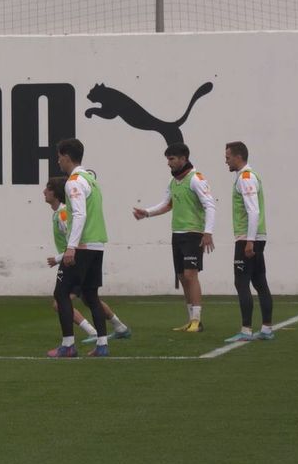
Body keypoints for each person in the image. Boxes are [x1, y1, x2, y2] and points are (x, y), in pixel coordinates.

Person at [133, 142, 216, 333]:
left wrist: (208, 232)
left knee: (190, 275)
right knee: (182, 276)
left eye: (171, 159)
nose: (168, 163)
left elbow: (209, 205)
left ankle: (197, 320)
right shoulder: (174, 181)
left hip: (193, 233)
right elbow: (167, 204)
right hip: (177, 234)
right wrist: (146, 213)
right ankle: (191, 320)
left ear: (183, 159)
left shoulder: (196, 179)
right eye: (168, 159)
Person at [43, 176, 131, 344]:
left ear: (55, 193)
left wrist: (58, 258)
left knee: (60, 302)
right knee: (90, 298)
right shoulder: (59, 213)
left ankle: (91, 332)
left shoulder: (63, 214)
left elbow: (75, 240)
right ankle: (119, 327)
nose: (44, 191)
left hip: (75, 260)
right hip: (74, 258)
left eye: (48, 188)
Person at [48, 139, 110, 357]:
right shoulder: (91, 180)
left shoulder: (73, 182)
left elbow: (80, 214)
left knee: (61, 293)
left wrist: (71, 247)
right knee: (91, 295)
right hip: (96, 245)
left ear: (66, 156)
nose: (58, 161)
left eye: (59, 157)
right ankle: (102, 344)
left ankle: (68, 345)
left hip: (82, 246)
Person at [223, 141, 274, 342]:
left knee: (241, 281)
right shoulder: (246, 177)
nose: (225, 161)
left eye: (227, 157)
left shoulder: (245, 178)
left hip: (248, 238)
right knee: (260, 281)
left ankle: (246, 330)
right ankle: (267, 329)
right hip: (255, 237)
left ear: (238, 157)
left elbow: (253, 211)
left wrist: (249, 242)